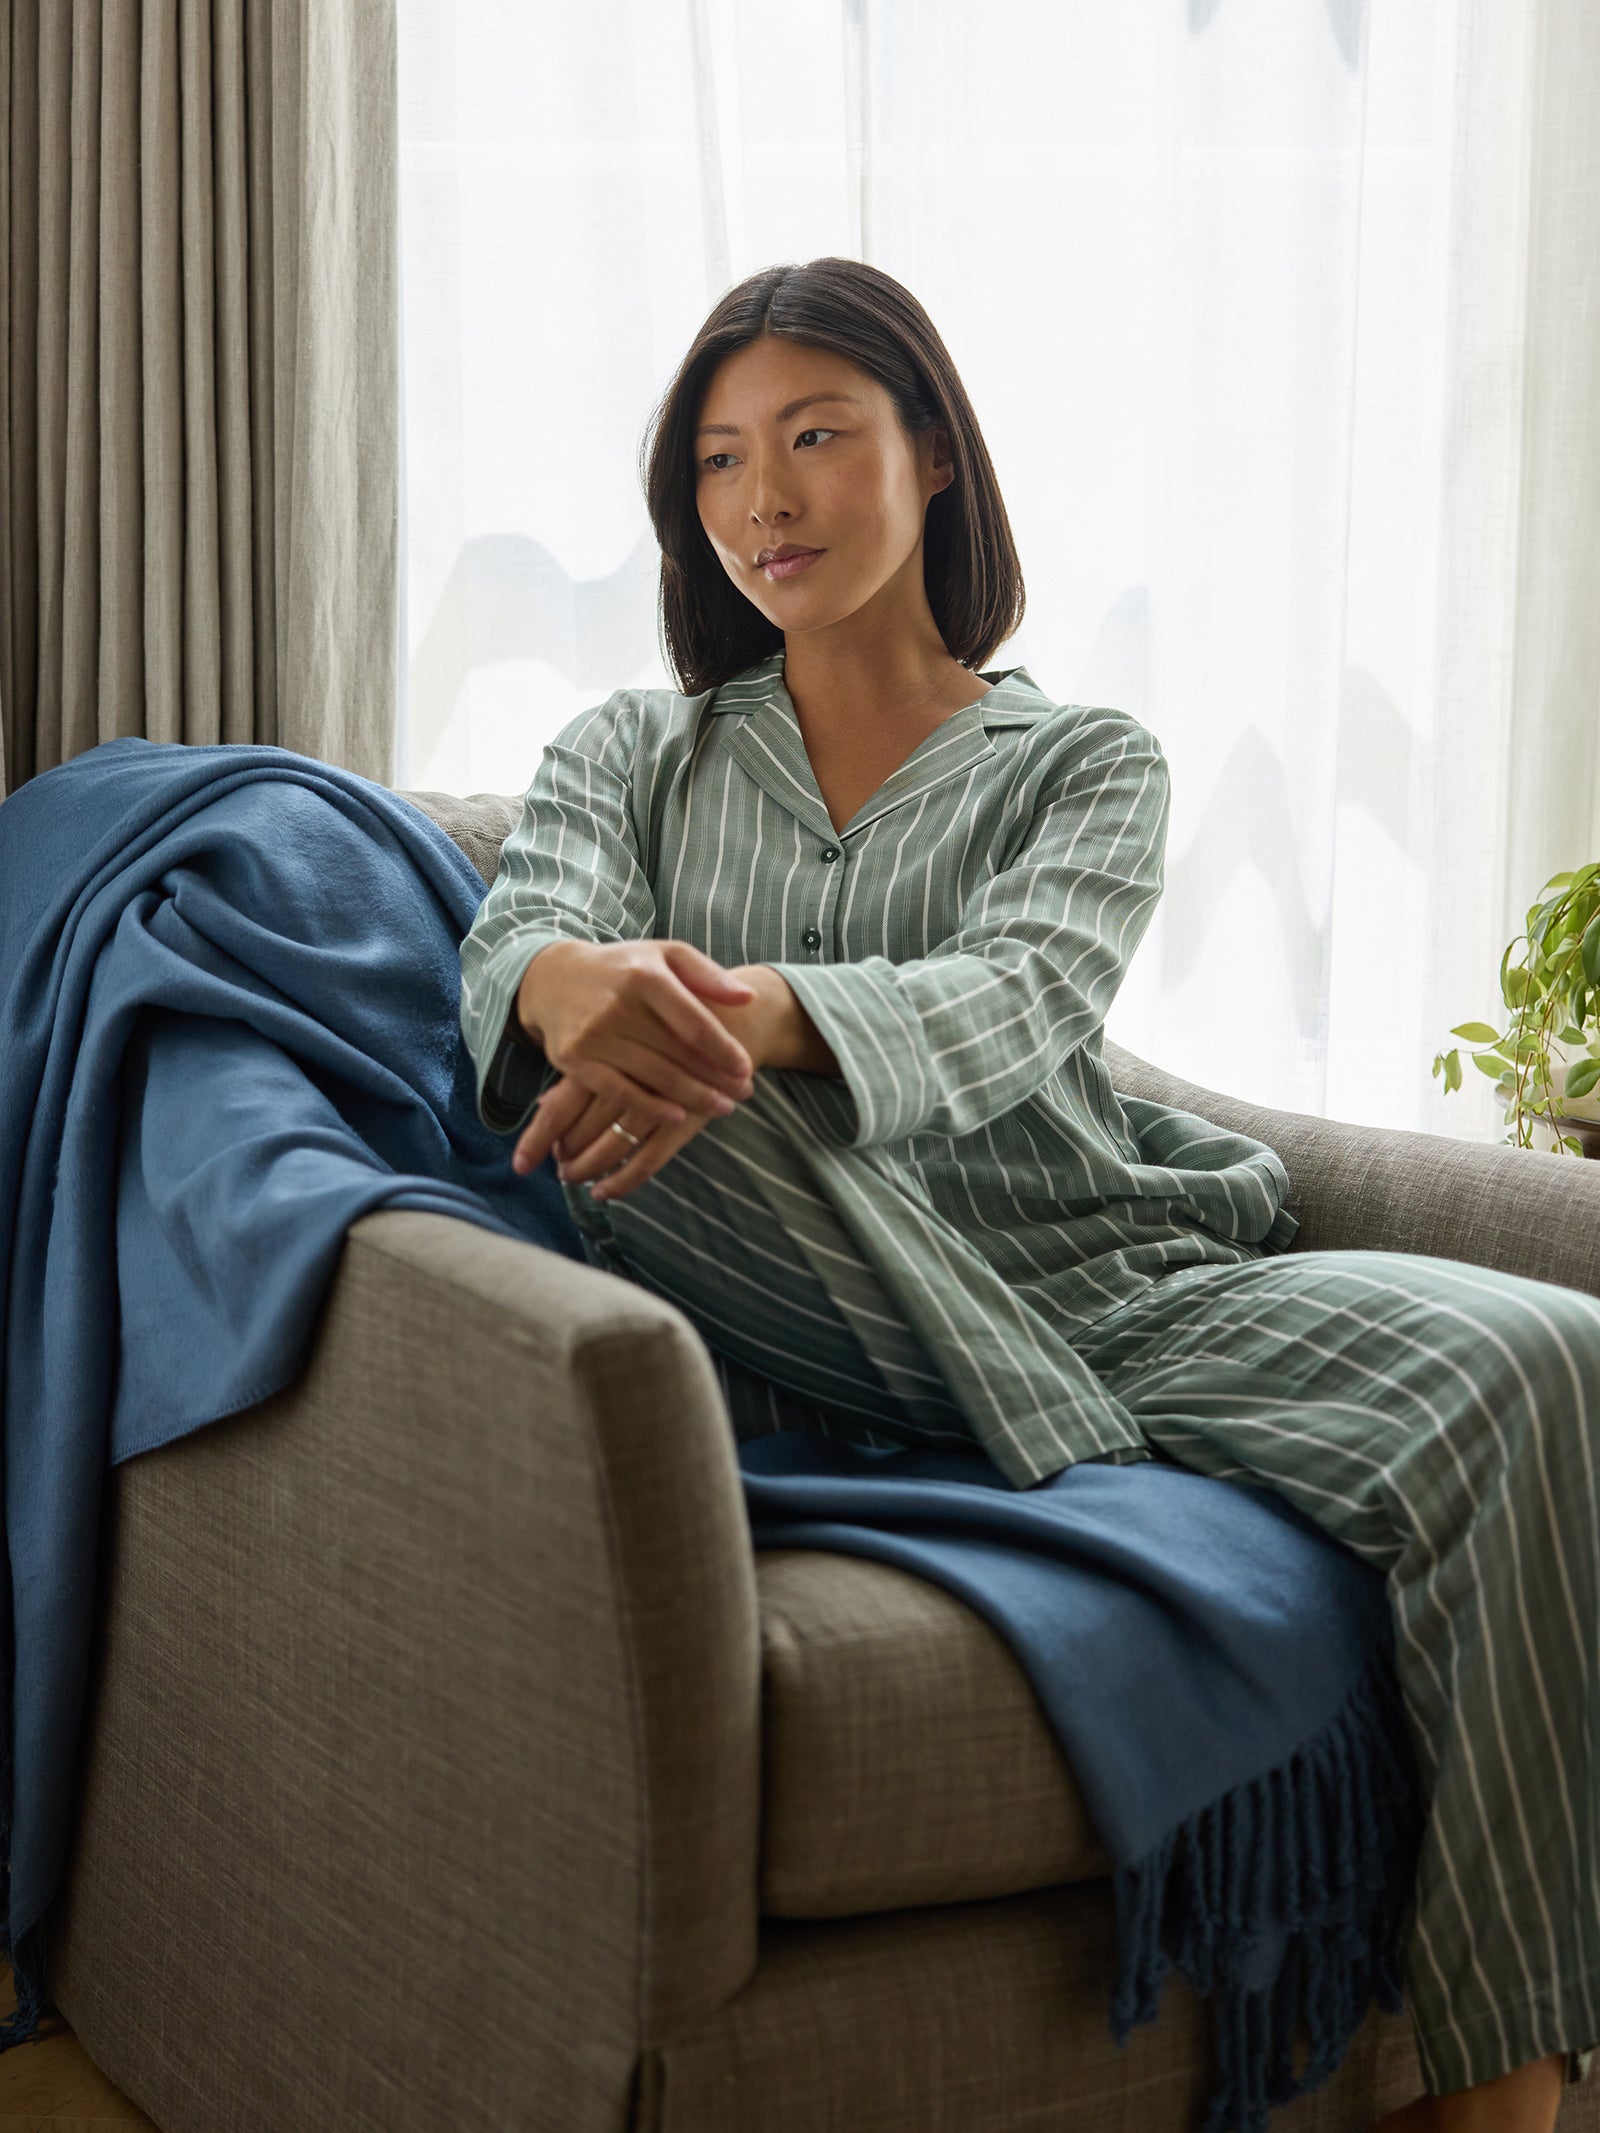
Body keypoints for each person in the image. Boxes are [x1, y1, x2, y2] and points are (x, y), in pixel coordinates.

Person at [457, 257, 1597, 2131]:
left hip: (1126, 1286)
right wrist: (571, 983)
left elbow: (1015, 1005)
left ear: (935, 461)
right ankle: (1011, 1409)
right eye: (722, 461)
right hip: (805, 1272)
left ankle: (1494, 2093)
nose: (764, 499)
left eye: (816, 436)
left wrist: (742, 1007)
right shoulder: (632, 750)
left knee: (1563, 1356)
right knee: (630, 1106)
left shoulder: (1085, 764)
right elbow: (524, 928)